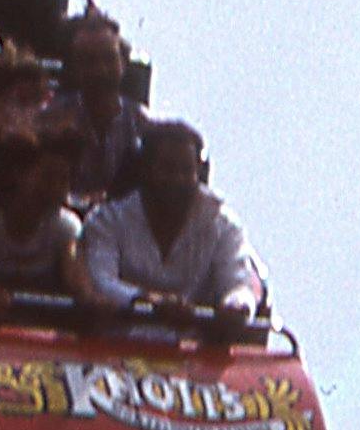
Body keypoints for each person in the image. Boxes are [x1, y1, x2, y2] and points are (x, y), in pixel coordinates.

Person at [80, 123, 265, 327]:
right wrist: (148, 301)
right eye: (168, 169)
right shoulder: (107, 220)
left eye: (186, 170)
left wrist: (235, 306)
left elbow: (238, 284)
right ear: (145, 171)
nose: (178, 179)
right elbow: (101, 280)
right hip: (116, 344)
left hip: (194, 349)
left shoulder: (223, 225)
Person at [0, 124, 84, 309]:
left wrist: (91, 299)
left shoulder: (66, 226)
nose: (56, 188)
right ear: (20, 174)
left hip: (27, 324)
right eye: (47, 177)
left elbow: (77, 280)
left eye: (63, 180)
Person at [57, 12, 147, 205]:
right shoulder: (53, 118)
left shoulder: (142, 125)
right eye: (90, 61)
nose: (100, 70)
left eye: (108, 59)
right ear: (74, 67)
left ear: (123, 64)